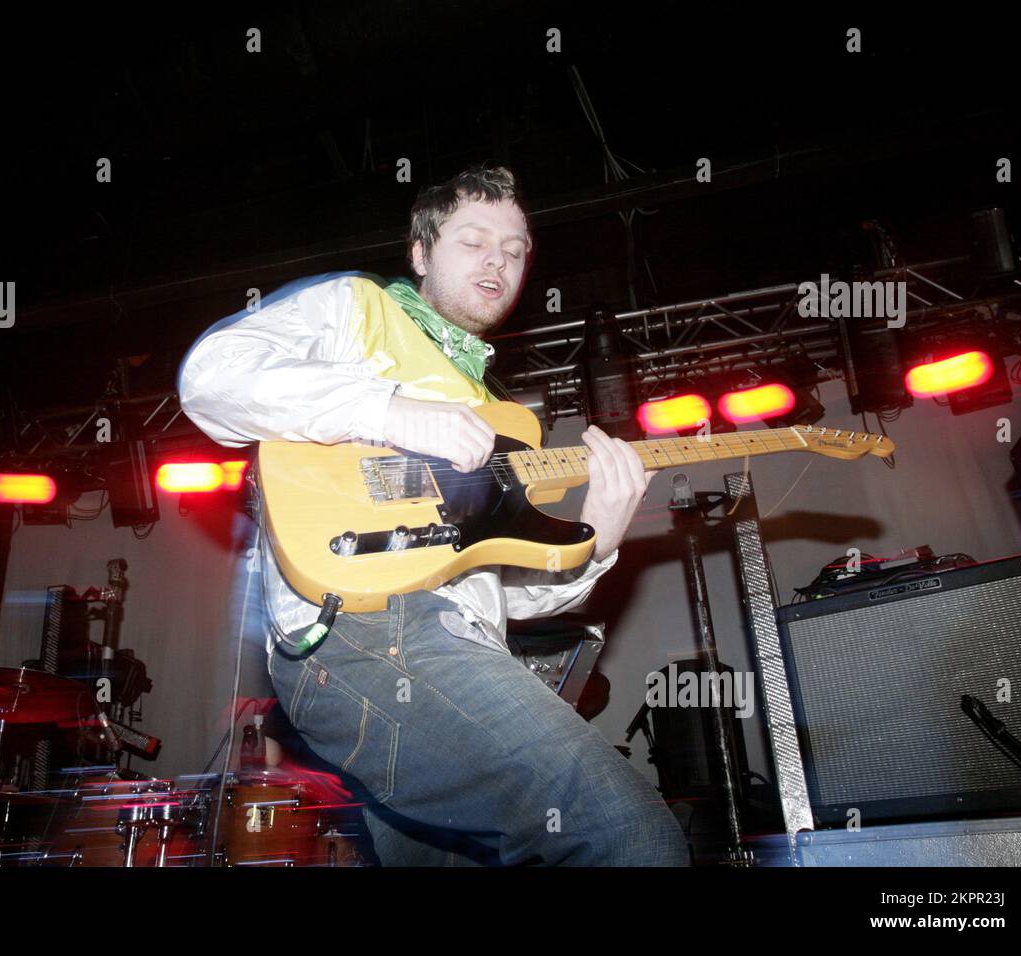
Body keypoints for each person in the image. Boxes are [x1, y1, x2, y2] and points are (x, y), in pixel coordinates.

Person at [178, 163, 688, 865]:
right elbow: (211, 377)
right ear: (419, 252)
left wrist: (597, 536)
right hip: (366, 629)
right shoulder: (358, 309)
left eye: (514, 251)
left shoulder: (497, 406)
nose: (497, 261)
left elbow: (514, 593)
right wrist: (393, 412)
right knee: (629, 836)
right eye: (473, 240)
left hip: (456, 643)